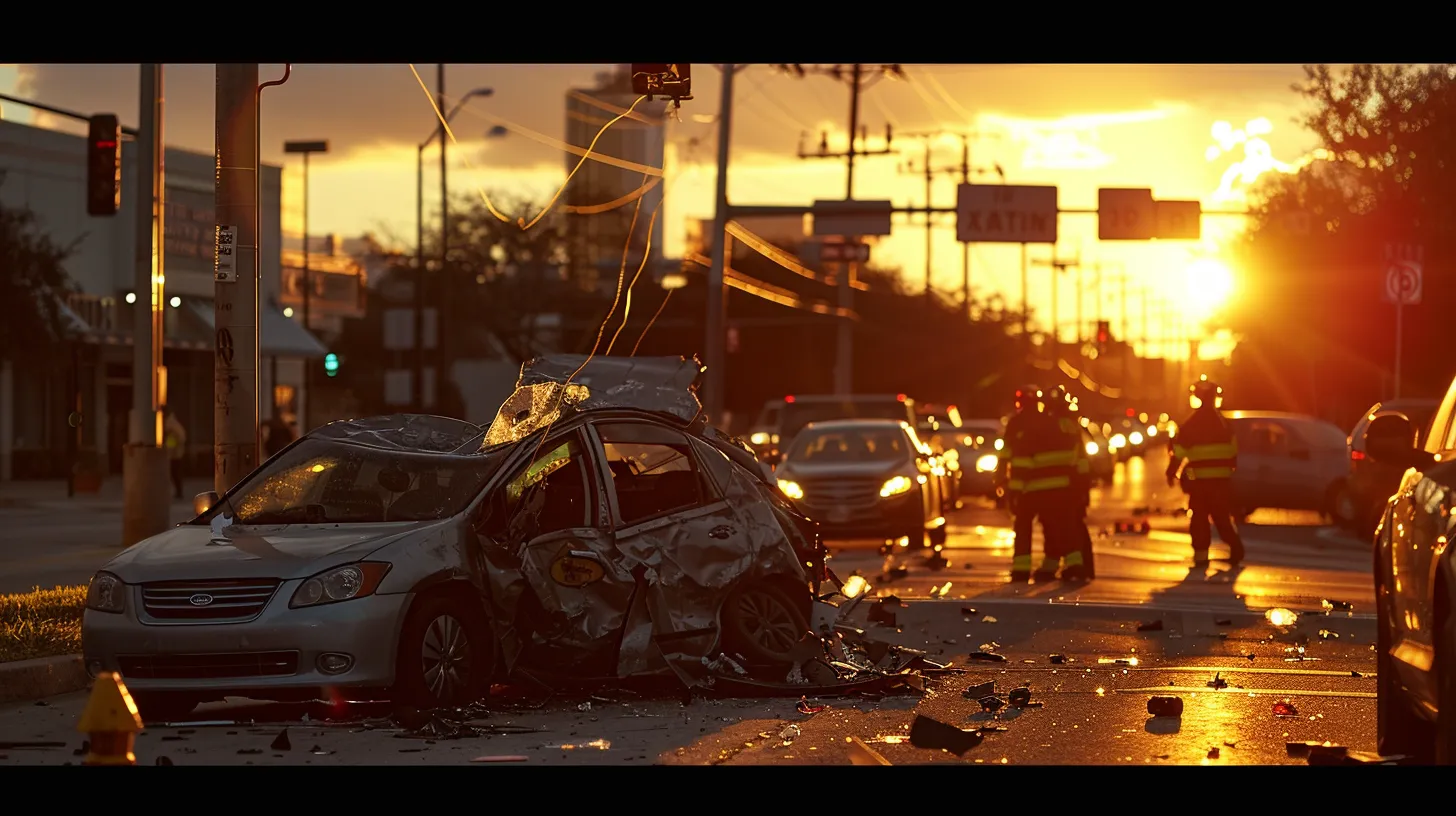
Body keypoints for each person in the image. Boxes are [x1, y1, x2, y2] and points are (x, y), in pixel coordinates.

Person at [1004, 386, 1088, 583]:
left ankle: (1021, 570)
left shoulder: (1027, 427)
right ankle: (1073, 565)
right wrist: (1081, 489)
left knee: (1024, 526)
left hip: (1033, 490)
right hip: (1063, 489)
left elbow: (1021, 463)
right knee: (1062, 526)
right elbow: (1079, 461)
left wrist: (1014, 492)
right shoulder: (1063, 427)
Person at [1165, 376, 1245, 568]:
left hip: (1199, 484)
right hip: (1221, 483)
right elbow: (1234, 453)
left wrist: (1171, 472)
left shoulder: (1191, 424)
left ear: (1197, 398)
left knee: (1199, 521)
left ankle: (1201, 559)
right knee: (1222, 519)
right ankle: (1236, 550)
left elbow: (1179, 453)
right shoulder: (1224, 424)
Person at [1039, 388, 1092, 581]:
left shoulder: (1041, 425)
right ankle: (1066, 565)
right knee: (1067, 525)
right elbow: (1082, 460)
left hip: (1046, 487)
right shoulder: (1072, 426)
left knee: (1053, 526)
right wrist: (1083, 488)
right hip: (1070, 487)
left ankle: (1063, 565)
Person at [997, 384, 1041, 581]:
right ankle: (1050, 567)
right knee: (1050, 527)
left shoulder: (1015, 423)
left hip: (1020, 487)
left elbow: (1005, 454)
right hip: (1044, 486)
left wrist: (999, 478)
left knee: (1022, 528)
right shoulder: (1047, 422)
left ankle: (1021, 569)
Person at [163, 409, 187, 499]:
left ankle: (178, 492)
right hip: (174, 453)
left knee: (175, 473)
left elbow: (180, 438)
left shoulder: (171, 424)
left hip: (175, 454)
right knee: (174, 473)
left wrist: (174, 447)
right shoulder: (172, 423)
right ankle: (178, 491)